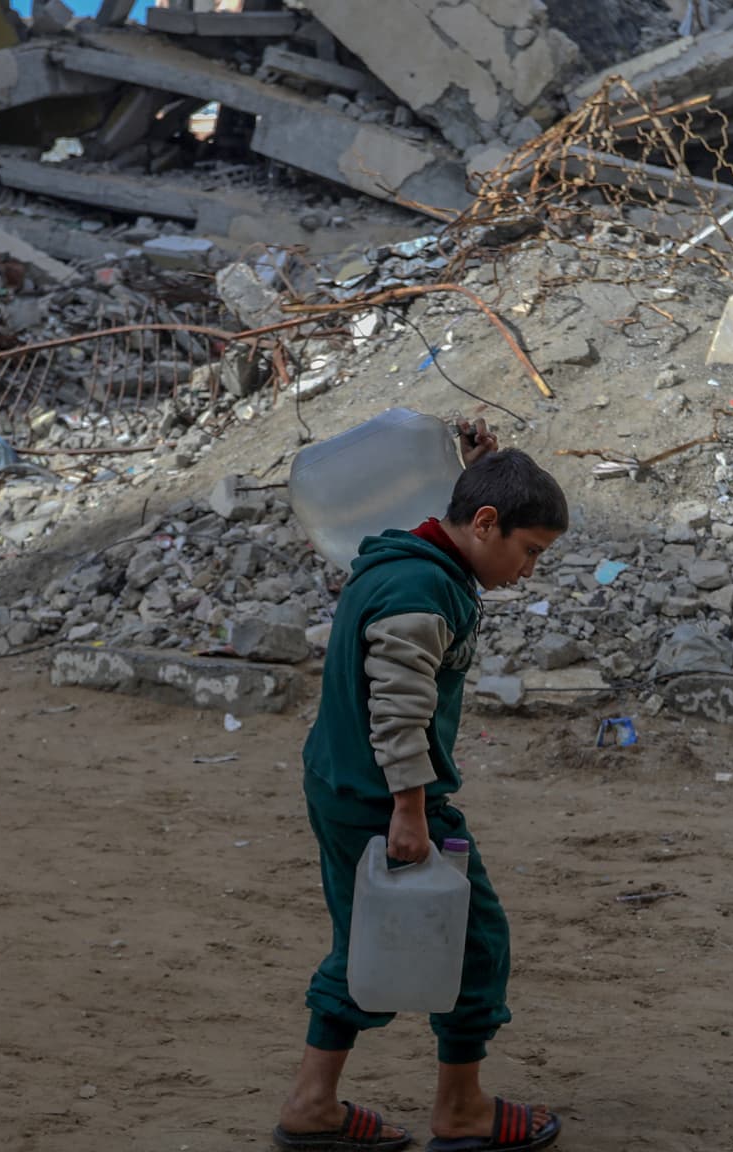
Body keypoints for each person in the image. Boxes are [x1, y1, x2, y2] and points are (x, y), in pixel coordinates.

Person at [273, 422, 568, 1152]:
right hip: (385, 796)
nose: (528, 570)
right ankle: (460, 1111)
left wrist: (467, 468)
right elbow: (398, 707)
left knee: (364, 938)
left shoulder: (412, 554)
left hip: (343, 783)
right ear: (486, 525)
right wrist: (410, 809)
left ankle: (313, 1105)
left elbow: (450, 515)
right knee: (473, 943)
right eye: (528, 552)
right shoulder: (421, 588)